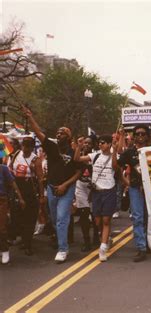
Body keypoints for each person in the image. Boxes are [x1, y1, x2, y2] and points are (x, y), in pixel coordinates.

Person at [23, 106, 81, 263]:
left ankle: (63, 249)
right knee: (55, 220)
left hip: (67, 189)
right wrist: (30, 117)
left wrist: (65, 185)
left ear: (69, 137)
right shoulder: (52, 147)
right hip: (52, 187)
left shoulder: (73, 152)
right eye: (58, 132)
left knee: (62, 219)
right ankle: (61, 237)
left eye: (63, 133)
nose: (59, 134)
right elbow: (39, 133)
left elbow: (78, 173)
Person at [75, 135, 118, 262]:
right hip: (96, 192)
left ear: (109, 144)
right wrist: (79, 146)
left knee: (106, 220)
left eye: (103, 143)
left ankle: (102, 248)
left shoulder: (114, 156)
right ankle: (106, 237)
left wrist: (115, 151)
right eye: (99, 143)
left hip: (109, 191)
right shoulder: (95, 155)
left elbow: (115, 167)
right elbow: (77, 159)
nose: (100, 145)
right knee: (98, 222)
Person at [118, 125, 151, 262]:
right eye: (137, 134)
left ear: (147, 136)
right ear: (134, 136)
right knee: (138, 217)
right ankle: (141, 247)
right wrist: (126, 182)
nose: (140, 136)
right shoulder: (129, 152)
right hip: (135, 188)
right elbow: (117, 167)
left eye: (143, 134)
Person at [7, 136, 44, 256]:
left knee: (29, 217)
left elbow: (40, 179)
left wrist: (42, 196)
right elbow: (10, 170)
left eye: (28, 146)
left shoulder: (36, 160)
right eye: (24, 145)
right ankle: (20, 237)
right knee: (17, 215)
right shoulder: (16, 155)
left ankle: (28, 243)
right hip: (17, 188)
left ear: (32, 147)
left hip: (30, 189)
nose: (25, 148)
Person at [74, 136, 99, 252]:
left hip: (94, 188)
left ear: (93, 145)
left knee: (95, 215)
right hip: (81, 187)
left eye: (89, 143)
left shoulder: (96, 156)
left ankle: (97, 238)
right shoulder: (79, 154)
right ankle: (86, 241)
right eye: (85, 143)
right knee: (84, 214)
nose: (86, 145)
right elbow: (75, 161)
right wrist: (78, 148)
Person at [1, 161, 26, 264]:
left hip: (1, 200)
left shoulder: (3, 168)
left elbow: (13, 184)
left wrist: (20, 198)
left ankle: (5, 250)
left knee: (1, 227)